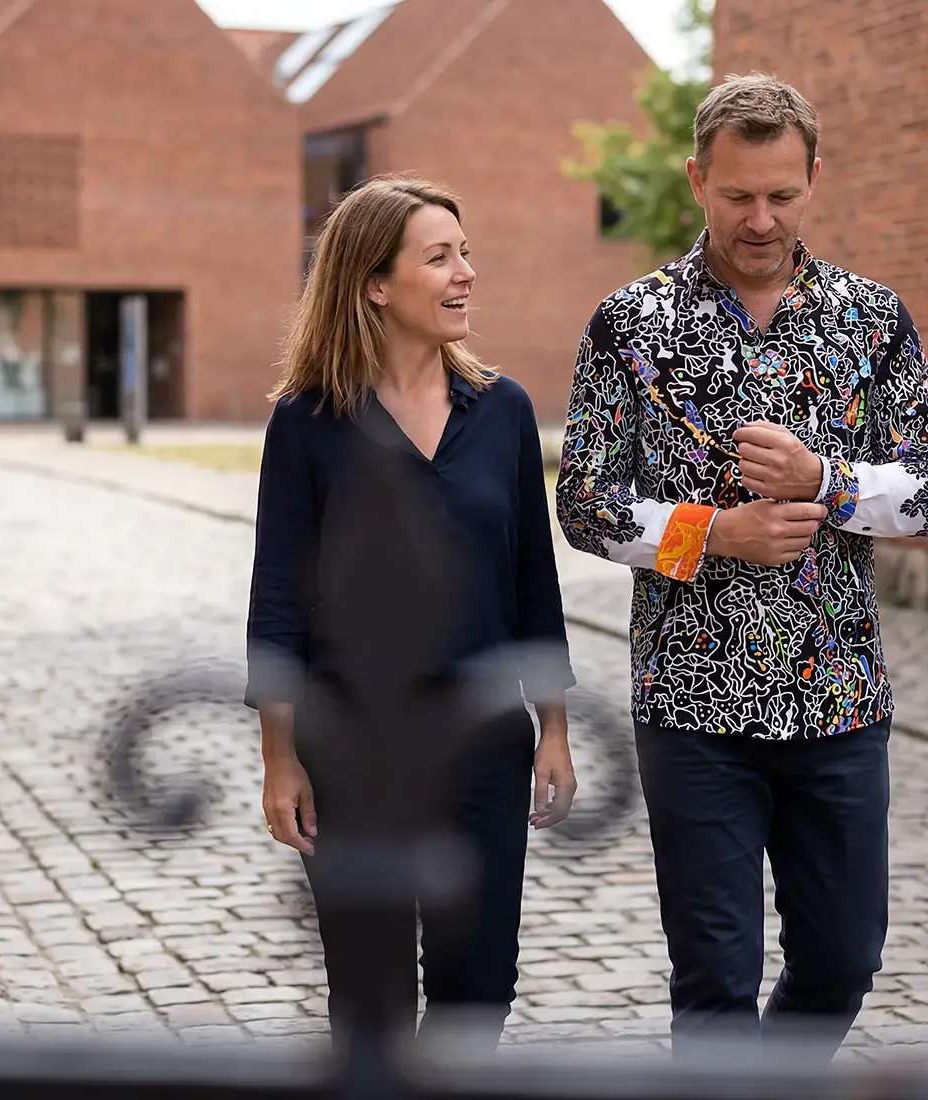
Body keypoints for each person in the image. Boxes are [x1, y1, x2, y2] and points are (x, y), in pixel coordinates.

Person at [556, 74, 928, 1062]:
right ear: (697, 179)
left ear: (812, 177)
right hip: (690, 708)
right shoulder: (627, 324)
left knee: (839, 958)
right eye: (737, 195)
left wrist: (826, 480)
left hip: (838, 701)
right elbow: (583, 503)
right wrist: (708, 533)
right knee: (713, 978)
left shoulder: (873, 319)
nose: (759, 218)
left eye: (780, 193)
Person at [246, 175, 578, 1048]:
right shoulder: (308, 422)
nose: (466, 272)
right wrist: (281, 757)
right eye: (440, 257)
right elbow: (277, 593)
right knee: (371, 996)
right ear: (375, 284)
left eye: (465, 253)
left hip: (480, 740)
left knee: (480, 989)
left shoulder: (502, 412)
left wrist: (553, 727)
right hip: (351, 746)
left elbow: (531, 581)